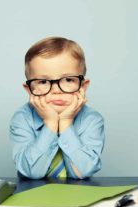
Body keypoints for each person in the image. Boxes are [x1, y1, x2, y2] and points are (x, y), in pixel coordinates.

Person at [9, 37, 105, 179]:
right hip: (33, 197)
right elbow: (32, 172)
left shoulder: (92, 119)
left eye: (68, 80)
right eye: (43, 81)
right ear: (29, 90)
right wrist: (51, 124)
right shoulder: (22, 118)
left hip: (78, 196)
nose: (56, 90)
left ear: (83, 86)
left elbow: (83, 172)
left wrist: (65, 123)